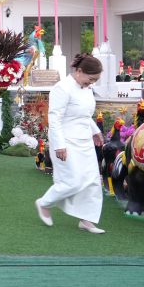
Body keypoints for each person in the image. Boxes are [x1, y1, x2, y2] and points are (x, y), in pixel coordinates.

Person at [36, 53, 106, 235]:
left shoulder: (86, 88)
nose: (91, 83)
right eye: (91, 79)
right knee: (72, 181)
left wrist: (95, 131)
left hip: (85, 141)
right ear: (79, 71)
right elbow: (55, 118)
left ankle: (87, 220)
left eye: (95, 80)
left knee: (92, 181)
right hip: (66, 142)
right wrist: (59, 145)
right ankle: (44, 203)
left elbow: (84, 114)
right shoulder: (62, 88)